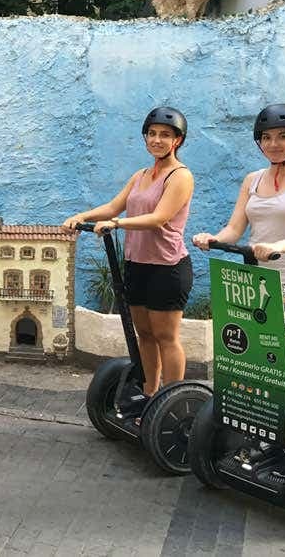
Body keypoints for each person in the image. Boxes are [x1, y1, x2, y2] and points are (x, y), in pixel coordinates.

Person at [193, 103, 285, 468]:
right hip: (257, 283)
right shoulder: (252, 180)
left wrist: (277, 248)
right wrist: (214, 238)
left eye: (283, 137)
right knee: (259, 363)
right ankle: (267, 438)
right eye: (267, 138)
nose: (275, 144)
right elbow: (236, 228)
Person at [62, 107, 195, 396]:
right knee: (144, 335)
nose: (157, 140)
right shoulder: (141, 175)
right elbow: (113, 206)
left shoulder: (180, 176)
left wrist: (117, 223)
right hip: (137, 265)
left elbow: (158, 218)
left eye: (165, 135)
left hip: (167, 267)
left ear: (178, 141)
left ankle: (172, 401)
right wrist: (82, 217)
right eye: (152, 134)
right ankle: (149, 396)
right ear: (145, 137)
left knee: (166, 337)